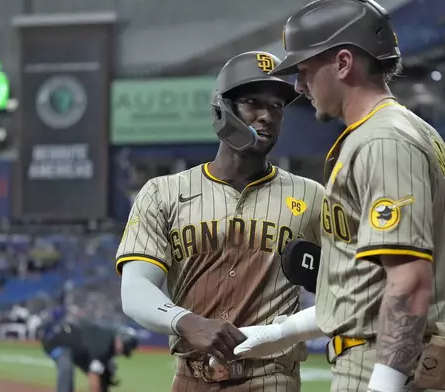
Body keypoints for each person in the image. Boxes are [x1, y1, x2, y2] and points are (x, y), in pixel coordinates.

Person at [232, 1, 445, 391]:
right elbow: (368, 291)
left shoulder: (382, 140)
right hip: (403, 361)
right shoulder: (410, 131)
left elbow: (408, 284)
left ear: (344, 63)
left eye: (305, 70)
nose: (299, 86)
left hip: (384, 366)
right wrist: (284, 331)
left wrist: (383, 386)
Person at [117, 51, 325, 392]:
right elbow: (136, 289)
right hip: (190, 379)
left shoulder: (312, 197)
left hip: (272, 379)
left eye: (276, 106)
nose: (267, 116)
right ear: (222, 108)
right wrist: (185, 321)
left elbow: (348, 286)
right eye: (252, 102)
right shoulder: (163, 192)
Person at [41, 320, 138, 392]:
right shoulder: (104, 345)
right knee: (67, 367)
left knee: (104, 374)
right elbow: (93, 375)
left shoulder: (109, 345)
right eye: (124, 349)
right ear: (120, 341)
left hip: (79, 351)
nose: (121, 353)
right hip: (58, 342)